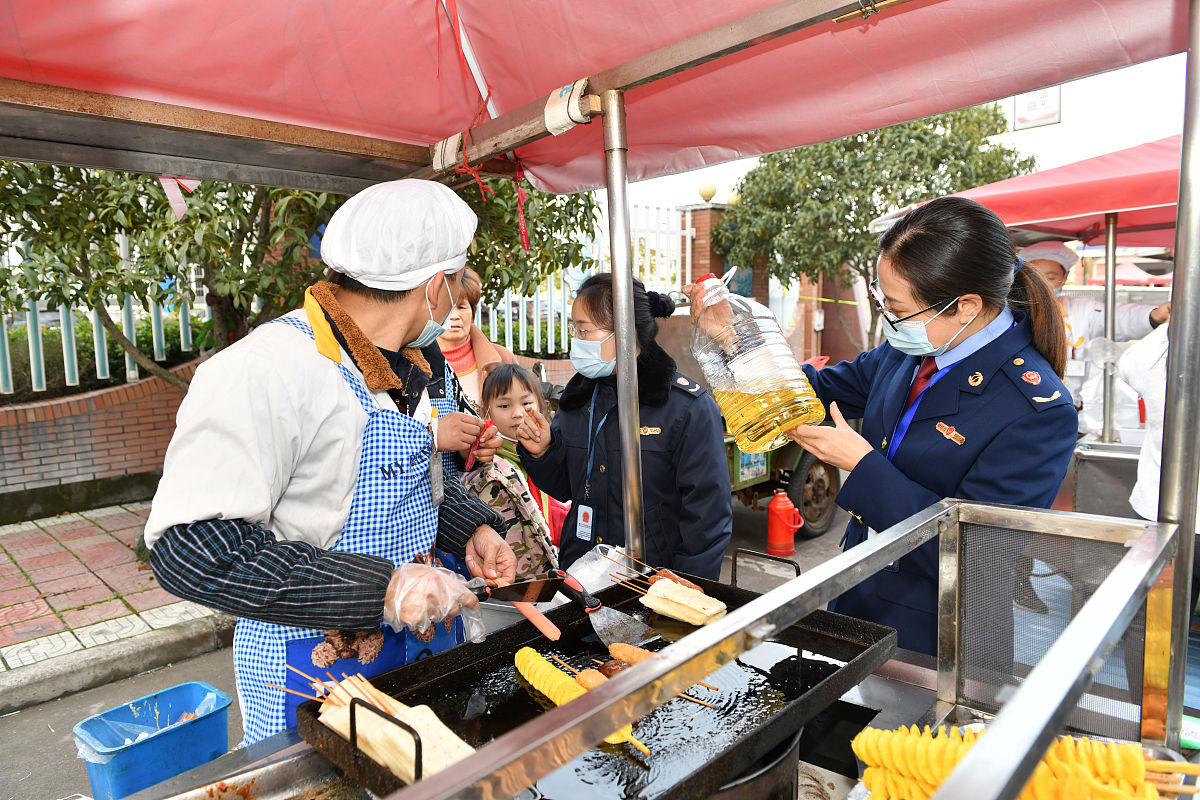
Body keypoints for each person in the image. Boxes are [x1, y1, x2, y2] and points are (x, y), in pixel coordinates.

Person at [143, 179, 517, 744]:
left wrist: (472, 526)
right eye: (456, 281)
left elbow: (411, 480)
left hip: (419, 647)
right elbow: (191, 550)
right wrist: (385, 591)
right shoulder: (269, 368)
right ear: (434, 285)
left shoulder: (415, 363)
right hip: (314, 667)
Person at [781, 197, 1078, 655]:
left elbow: (978, 556)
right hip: (859, 593)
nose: (890, 319)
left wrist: (860, 465)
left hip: (937, 634)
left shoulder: (1035, 410)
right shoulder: (910, 349)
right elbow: (823, 389)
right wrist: (741, 344)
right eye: (884, 302)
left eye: (898, 307)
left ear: (965, 306)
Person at [516, 274, 733, 579]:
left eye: (583, 329)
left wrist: (683, 585)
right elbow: (567, 487)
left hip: (653, 581)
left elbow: (708, 516)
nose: (576, 339)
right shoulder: (579, 399)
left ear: (624, 332)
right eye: (574, 329)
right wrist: (542, 453)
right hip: (582, 575)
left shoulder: (686, 408)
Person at [1018, 241, 1169, 429]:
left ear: (1064, 278)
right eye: (1036, 277)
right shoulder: (1013, 314)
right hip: (1022, 413)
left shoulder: (1084, 310)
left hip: (1069, 412)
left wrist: (1155, 315)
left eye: (1051, 277)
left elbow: (1119, 317)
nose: (1043, 284)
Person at [461, 364, 561, 580]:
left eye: (526, 404)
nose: (517, 414)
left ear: (540, 407)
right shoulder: (489, 460)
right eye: (505, 406)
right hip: (516, 570)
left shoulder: (546, 449)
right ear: (485, 410)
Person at [437, 267, 516, 414]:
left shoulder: (503, 358)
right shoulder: (415, 362)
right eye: (448, 308)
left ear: (473, 313)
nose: (454, 316)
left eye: (461, 307)